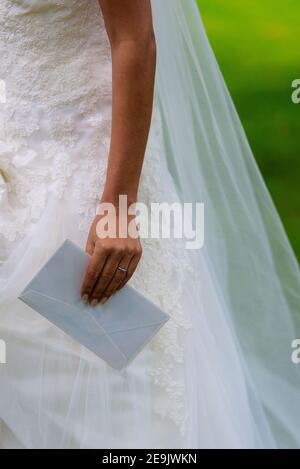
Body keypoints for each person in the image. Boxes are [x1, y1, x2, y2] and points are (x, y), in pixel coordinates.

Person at [0, 0, 299, 449]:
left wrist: (118, 209)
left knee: (116, 390)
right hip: (11, 172)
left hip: (88, 178)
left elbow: (134, 42)